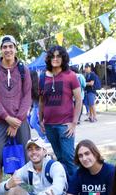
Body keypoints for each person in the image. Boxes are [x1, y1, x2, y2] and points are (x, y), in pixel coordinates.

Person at [0, 35, 32, 195]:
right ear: (1, 49)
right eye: (4, 47)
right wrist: (7, 118)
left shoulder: (23, 69)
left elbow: (27, 96)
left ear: (15, 48)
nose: (8, 50)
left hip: (20, 119)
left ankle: (21, 192)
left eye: (10, 46)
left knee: (27, 154)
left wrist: (17, 120)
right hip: (0, 120)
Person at [39, 45, 82, 177]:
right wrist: (41, 120)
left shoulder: (71, 76)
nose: (55, 59)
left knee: (69, 157)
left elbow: (79, 100)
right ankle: (66, 186)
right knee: (60, 159)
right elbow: (41, 100)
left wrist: (74, 123)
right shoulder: (42, 77)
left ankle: (76, 188)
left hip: (65, 125)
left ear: (63, 58)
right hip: (49, 125)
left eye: (58, 56)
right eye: (53, 56)